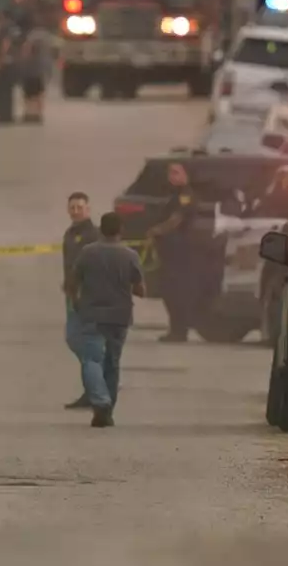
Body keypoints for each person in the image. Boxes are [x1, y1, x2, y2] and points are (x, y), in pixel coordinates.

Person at [67, 212, 145, 428]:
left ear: (101, 229)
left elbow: (72, 283)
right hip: (119, 317)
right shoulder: (130, 255)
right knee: (113, 362)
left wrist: (76, 302)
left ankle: (100, 402)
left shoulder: (87, 252)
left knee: (92, 360)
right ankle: (107, 410)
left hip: (92, 315)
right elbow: (140, 289)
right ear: (121, 230)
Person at [146, 162, 200, 343]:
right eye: (170, 173)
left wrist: (157, 230)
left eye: (177, 172)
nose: (172, 176)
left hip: (180, 251)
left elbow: (176, 219)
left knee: (176, 291)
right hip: (169, 250)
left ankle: (179, 330)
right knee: (169, 291)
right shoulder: (174, 194)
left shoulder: (185, 195)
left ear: (186, 175)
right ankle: (175, 329)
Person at [61, 192, 101, 410]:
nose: (75, 211)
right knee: (74, 339)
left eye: (79, 207)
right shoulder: (70, 233)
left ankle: (98, 385)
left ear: (88, 209)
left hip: (86, 296)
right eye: (72, 207)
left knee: (83, 341)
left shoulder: (93, 235)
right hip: (72, 294)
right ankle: (93, 387)